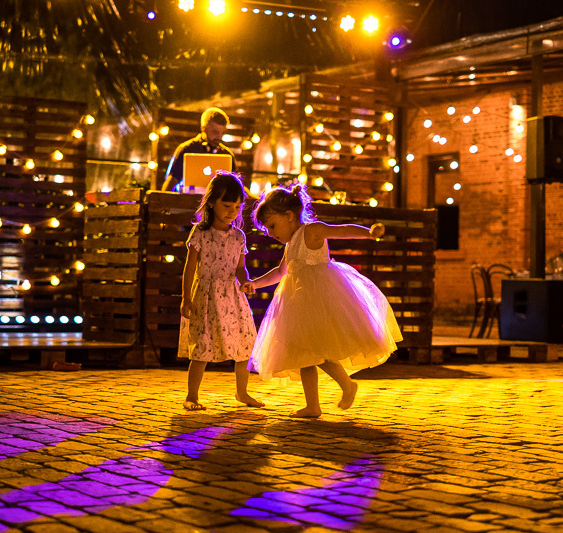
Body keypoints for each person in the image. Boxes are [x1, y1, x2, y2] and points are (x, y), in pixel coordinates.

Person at [241, 185, 402, 418]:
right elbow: (280, 272)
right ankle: (313, 406)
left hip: (320, 300)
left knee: (316, 352)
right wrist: (255, 284)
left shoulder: (311, 231)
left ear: (288, 216)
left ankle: (347, 384)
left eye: (272, 225)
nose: (270, 233)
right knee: (304, 354)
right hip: (297, 303)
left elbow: (342, 231)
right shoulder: (290, 244)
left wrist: (369, 233)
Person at [178, 171, 263, 411]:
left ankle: (242, 392)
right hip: (206, 296)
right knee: (202, 346)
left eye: (237, 207)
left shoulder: (239, 236)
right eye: (226, 205)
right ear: (211, 202)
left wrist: (246, 281)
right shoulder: (200, 233)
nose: (232, 211)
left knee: (244, 344)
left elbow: (240, 268)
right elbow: (190, 268)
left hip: (232, 297)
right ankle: (192, 395)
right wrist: (186, 298)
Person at [161, 107, 236, 192]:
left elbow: (237, 185)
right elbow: (172, 180)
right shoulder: (187, 149)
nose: (219, 136)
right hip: (189, 198)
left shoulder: (227, 154)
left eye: (222, 133)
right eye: (215, 132)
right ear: (203, 128)